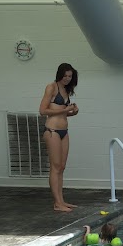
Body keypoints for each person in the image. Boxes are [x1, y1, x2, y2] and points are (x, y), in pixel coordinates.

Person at [39, 63, 79, 212]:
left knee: (61, 167)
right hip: (52, 131)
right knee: (55, 167)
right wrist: (65, 109)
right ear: (59, 74)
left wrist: (72, 112)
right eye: (65, 76)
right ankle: (57, 203)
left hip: (64, 131)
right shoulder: (52, 87)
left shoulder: (66, 90)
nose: (67, 79)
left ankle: (61, 201)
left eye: (70, 76)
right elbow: (43, 111)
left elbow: (62, 113)